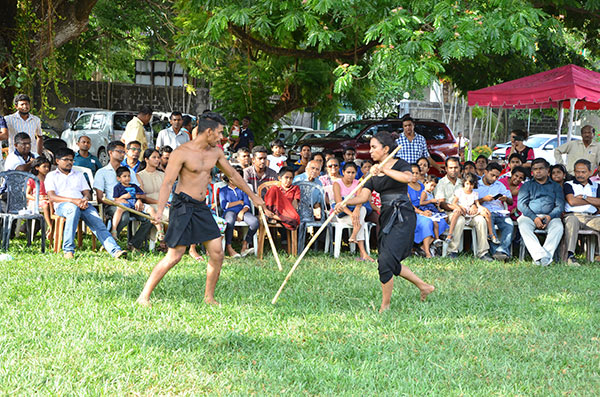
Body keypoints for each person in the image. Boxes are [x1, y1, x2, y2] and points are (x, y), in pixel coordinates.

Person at [137, 112, 265, 307]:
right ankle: (143, 296)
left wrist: (254, 195)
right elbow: (167, 183)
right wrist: (158, 210)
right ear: (208, 131)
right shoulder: (182, 152)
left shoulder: (216, 152)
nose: (223, 137)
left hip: (201, 206)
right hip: (182, 205)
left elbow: (233, 175)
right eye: (220, 132)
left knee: (216, 252)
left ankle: (209, 298)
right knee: (175, 255)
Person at [336, 132, 434, 312]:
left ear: (386, 149)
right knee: (389, 260)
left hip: (403, 215)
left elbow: (407, 178)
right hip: (387, 216)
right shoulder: (372, 172)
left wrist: (383, 169)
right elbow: (363, 197)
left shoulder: (399, 164)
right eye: (370, 147)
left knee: (385, 261)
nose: (370, 151)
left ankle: (385, 306)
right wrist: (344, 202)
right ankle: (423, 286)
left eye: (374, 147)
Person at [46, 147, 126, 259]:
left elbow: (87, 193)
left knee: (97, 221)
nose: (69, 162)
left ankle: (115, 250)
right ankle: (68, 250)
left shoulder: (78, 174)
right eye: (66, 160)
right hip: (63, 205)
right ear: (57, 161)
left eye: (71, 160)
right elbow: (52, 196)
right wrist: (74, 201)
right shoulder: (51, 176)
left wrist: (85, 199)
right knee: (72, 210)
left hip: (82, 204)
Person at [94, 141, 153, 252]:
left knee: (148, 219)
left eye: (123, 152)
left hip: (132, 204)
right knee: (124, 216)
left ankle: (134, 244)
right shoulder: (102, 172)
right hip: (112, 205)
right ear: (110, 153)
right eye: (119, 151)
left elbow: (137, 189)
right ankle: (110, 243)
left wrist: (139, 200)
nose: (122, 154)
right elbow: (99, 198)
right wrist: (116, 202)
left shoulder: (128, 172)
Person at [435, 157, 492, 260]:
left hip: (468, 212)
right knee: (459, 220)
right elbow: (442, 204)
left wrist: (474, 205)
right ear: (446, 169)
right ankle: (452, 251)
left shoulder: (464, 182)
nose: (453, 170)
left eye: (456, 167)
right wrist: (457, 207)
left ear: (459, 168)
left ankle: (483, 252)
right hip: (450, 212)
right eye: (451, 168)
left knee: (480, 220)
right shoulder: (441, 183)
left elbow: (472, 197)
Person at [517, 158, 565, 266]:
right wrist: (534, 218)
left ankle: (542, 257)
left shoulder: (556, 186)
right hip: (530, 217)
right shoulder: (527, 185)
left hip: (551, 216)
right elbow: (521, 205)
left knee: (558, 227)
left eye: (540, 168)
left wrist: (549, 217)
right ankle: (543, 256)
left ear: (547, 170)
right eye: (535, 169)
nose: (537, 171)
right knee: (523, 224)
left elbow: (560, 206)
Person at [332, 162, 373, 262]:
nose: (350, 175)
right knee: (360, 222)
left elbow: (360, 200)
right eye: (348, 172)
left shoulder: (358, 183)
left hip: (356, 212)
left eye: (353, 173)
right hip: (342, 213)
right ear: (343, 172)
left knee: (362, 210)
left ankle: (355, 237)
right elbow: (339, 203)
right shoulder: (337, 183)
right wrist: (352, 215)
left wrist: (356, 210)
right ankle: (363, 252)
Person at [562, 159, 600, 266]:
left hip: (591, 217)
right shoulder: (568, 184)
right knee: (572, 221)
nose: (580, 175)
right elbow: (572, 201)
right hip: (573, 215)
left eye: (583, 172)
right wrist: (593, 201)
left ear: (590, 172)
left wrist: (584, 197)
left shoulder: (596, 186)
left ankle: (598, 255)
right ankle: (570, 256)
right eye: (577, 172)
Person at [111, 166, 163, 241]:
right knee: (119, 209)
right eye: (124, 176)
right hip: (126, 204)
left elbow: (143, 195)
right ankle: (114, 230)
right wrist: (124, 197)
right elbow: (116, 200)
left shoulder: (134, 186)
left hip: (136, 204)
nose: (127, 178)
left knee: (151, 209)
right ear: (118, 178)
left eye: (129, 176)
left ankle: (160, 231)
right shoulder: (117, 187)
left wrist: (137, 197)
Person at [446, 173, 499, 245]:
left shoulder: (474, 193)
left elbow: (477, 204)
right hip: (462, 210)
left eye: (471, 184)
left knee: (486, 213)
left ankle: (491, 234)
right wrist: (459, 207)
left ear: (474, 185)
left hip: (470, 211)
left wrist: (483, 208)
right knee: (456, 213)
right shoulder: (460, 192)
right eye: (467, 184)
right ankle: (450, 234)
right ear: (464, 183)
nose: (469, 187)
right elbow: (454, 203)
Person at [476, 162, 514, 261]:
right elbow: (472, 203)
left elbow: (510, 201)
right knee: (490, 226)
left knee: (509, 225)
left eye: (497, 176)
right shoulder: (477, 185)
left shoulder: (499, 185)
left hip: (500, 212)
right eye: (492, 175)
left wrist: (505, 198)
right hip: (486, 212)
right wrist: (483, 199)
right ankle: (496, 252)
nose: (494, 179)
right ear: (485, 172)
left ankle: (501, 250)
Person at [408, 165, 447, 258]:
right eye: (412, 173)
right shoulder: (404, 186)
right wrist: (421, 212)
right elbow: (408, 204)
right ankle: (427, 252)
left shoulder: (422, 185)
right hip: (414, 212)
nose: (415, 175)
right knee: (428, 222)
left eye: (417, 173)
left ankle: (422, 248)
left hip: (427, 210)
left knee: (441, 221)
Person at [220, 167, 259, 258]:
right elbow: (224, 205)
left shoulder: (242, 189)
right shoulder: (223, 190)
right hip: (229, 212)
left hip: (243, 211)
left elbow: (246, 204)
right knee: (229, 221)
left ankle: (245, 244)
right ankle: (229, 247)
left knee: (255, 222)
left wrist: (242, 211)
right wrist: (238, 202)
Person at [26, 156, 52, 239]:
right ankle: (50, 227)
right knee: (45, 205)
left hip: (47, 199)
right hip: (35, 201)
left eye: (48, 167)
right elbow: (27, 194)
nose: (47, 169)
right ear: (37, 167)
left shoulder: (49, 179)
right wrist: (38, 198)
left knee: (52, 204)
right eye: (44, 166)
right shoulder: (33, 179)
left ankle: (53, 228)